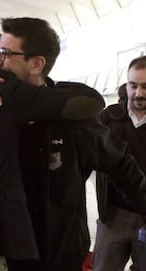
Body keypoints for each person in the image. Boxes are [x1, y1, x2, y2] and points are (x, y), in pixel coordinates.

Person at [0, 17, 146, 271]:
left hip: (58, 255)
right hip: (5, 255)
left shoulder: (72, 119)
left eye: (4, 53)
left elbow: (121, 164)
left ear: (37, 64)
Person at [93, 56, 146, 271]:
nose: (139, 93)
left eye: (145, 87)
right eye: (133, 86)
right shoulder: (107, 119)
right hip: (114, 217)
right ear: (126, 85)